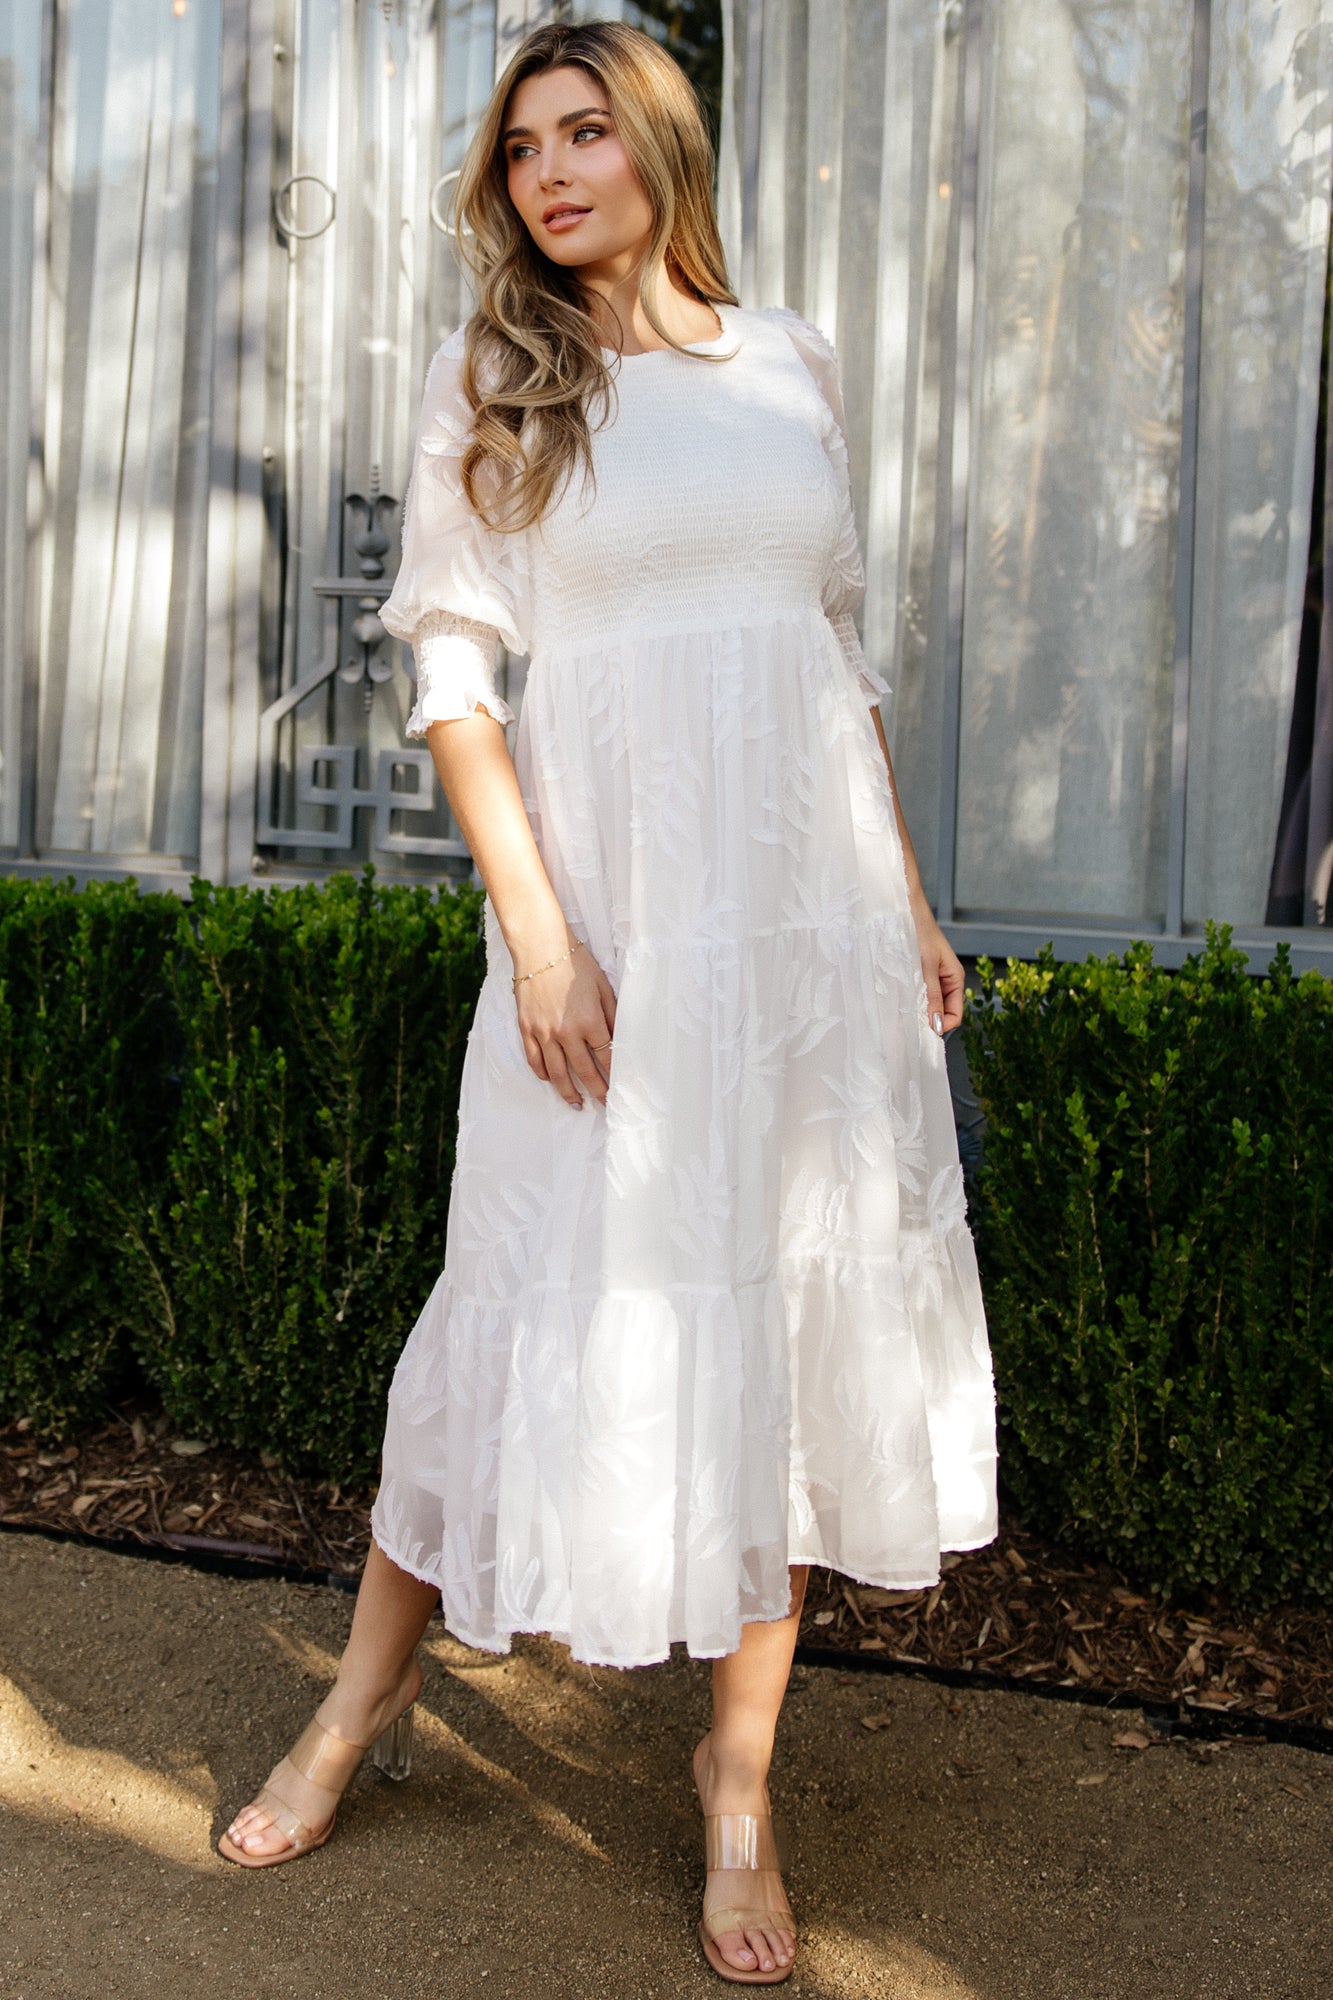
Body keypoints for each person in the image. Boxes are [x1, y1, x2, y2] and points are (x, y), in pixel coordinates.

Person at [219, 19, 997, 1984]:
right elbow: (454, 680)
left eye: (584, 131)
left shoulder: (788, 359)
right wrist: (543, 939)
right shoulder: (496, 368)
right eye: (521, 149)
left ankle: (738, 1793)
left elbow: (836, 652)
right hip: (614, 940)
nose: (550, 171)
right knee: (514, 1294)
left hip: (803, 947)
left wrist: (903, 903)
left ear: (658, 143)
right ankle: (358, 1704)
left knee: (790, 1319)